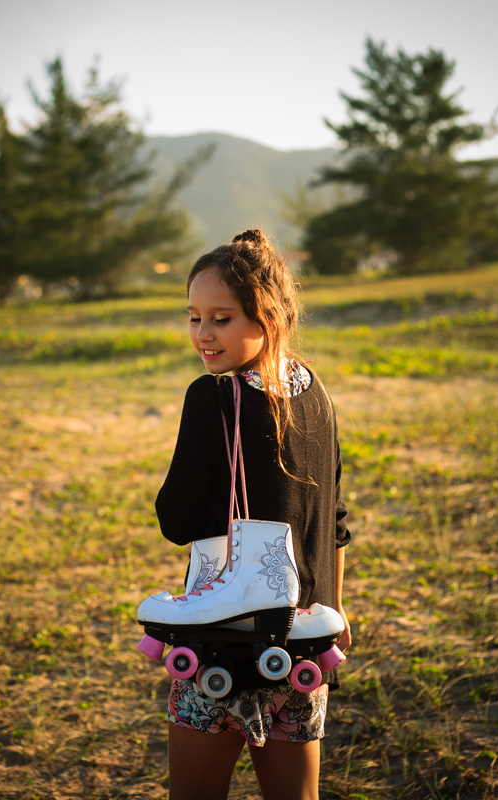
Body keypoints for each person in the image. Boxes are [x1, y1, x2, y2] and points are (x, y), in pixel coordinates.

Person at [154, 228, 351, 800]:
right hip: (305, 647)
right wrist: (336, 610)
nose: (202, 334)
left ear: (266, 317)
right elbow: (334, 520)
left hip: (226, 644)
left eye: (222, 318)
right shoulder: (315, 392)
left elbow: (178, 522)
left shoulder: (212, 398)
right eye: (194, 317)